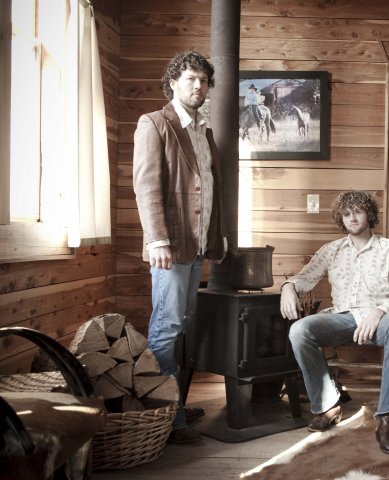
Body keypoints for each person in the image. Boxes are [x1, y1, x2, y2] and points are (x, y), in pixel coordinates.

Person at [133, 51, 227, 444]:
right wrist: (157, 239)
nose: (198, 86)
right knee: (166, 327)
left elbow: (211, 191)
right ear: (173, 82)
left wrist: (216, 236)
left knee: (181, 324)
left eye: (203, 80)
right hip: (169, 246)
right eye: (190, 78)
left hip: (196, 244)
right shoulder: (155, 124)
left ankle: (174, 409)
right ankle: (166, 421)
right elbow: (147, 185)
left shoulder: (203, 132)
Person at [281, 191, 389, 455]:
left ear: (369, 214)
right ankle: (328, 406)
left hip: (380, 320)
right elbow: (304, 278)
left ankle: (388, 419)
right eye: (346, 214)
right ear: (341, 218)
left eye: (358, 211)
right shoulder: (331, 250)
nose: (352, 218)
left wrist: (379, 311)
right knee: (299, 330)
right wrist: (287, 287)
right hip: (341, 318)